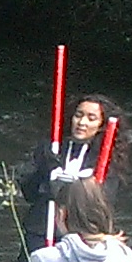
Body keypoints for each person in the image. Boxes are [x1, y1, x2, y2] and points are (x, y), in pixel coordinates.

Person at [21, 94, 120, 247]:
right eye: (78, 115)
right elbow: (28, 191)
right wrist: (48, 176)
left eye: (91, 118)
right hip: (42, 229)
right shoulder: (51, 148)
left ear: (101, 125)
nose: (82, 122)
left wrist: (79, 187)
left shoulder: (106, 158)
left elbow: (104, 202)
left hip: (82, 237)